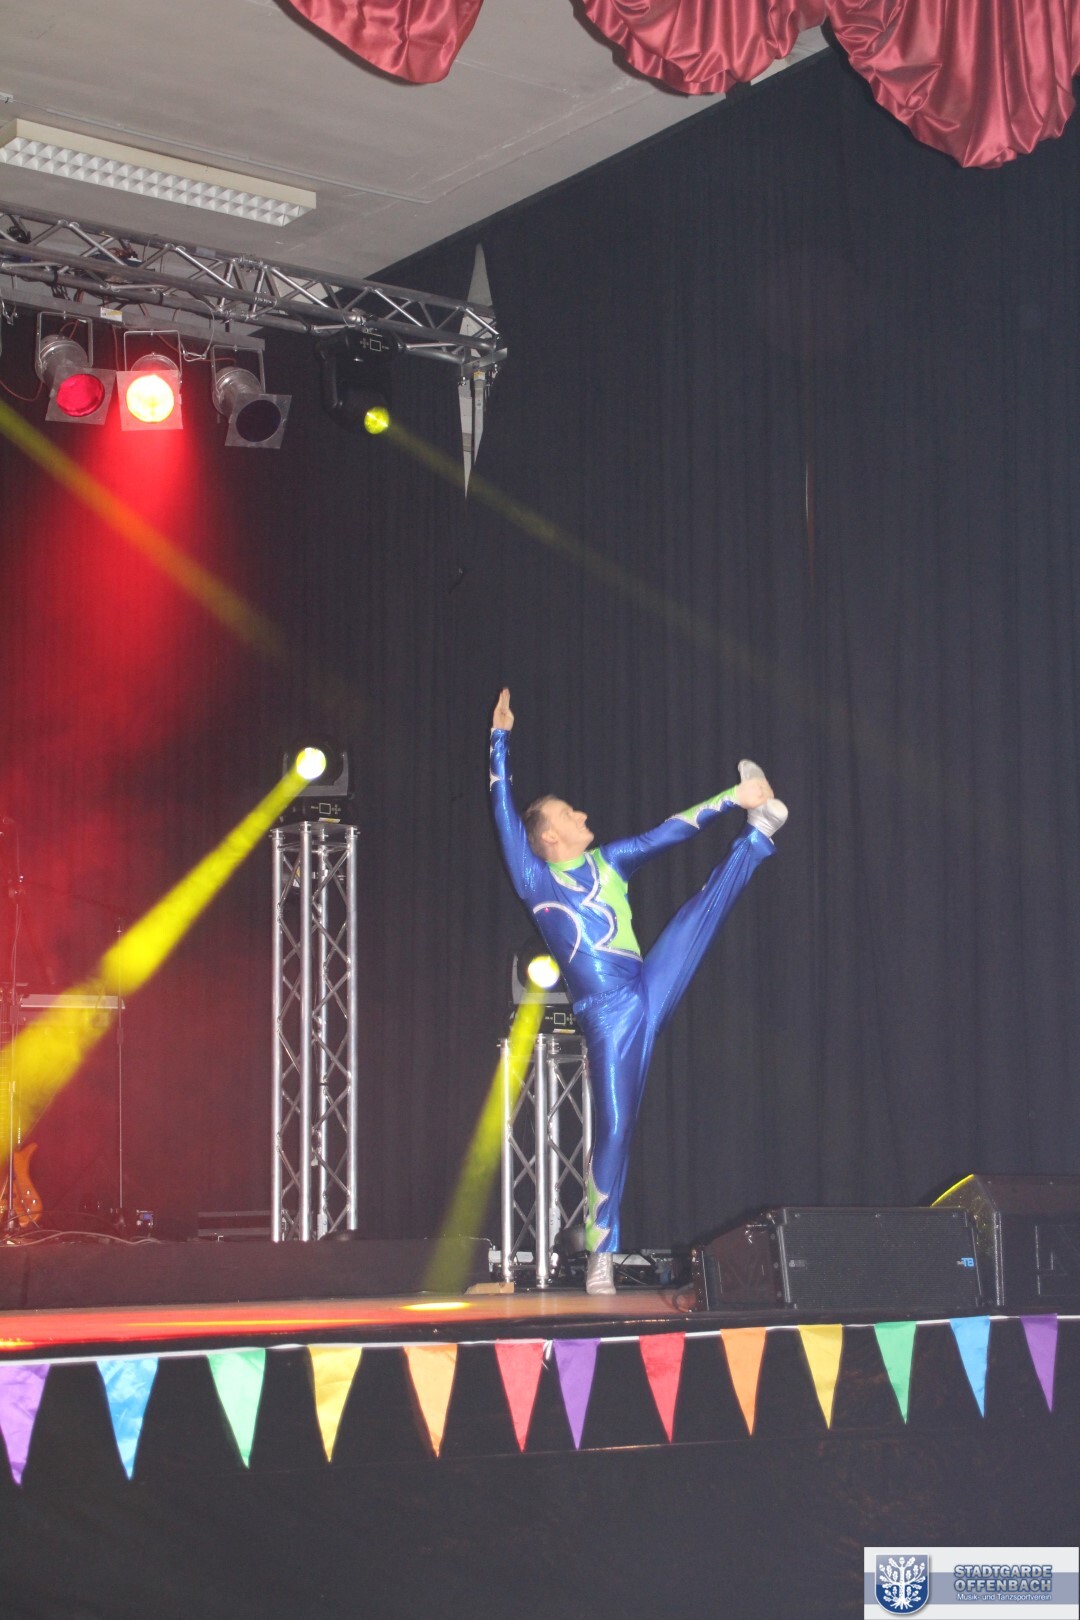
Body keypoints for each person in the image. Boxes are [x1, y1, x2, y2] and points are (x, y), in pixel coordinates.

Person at [489, 688, 786, 1295]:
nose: (581, 815)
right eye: (568, 814)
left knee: (697, 917)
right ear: (547, 837)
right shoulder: (536, 880)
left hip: (645, 984)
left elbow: (667, 832)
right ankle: (602, 1250)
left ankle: (756, 833)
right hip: (609, 1016)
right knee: (616, 1130)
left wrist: (732, 798)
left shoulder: (610, 862)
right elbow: (502, 812)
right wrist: (499, 740)